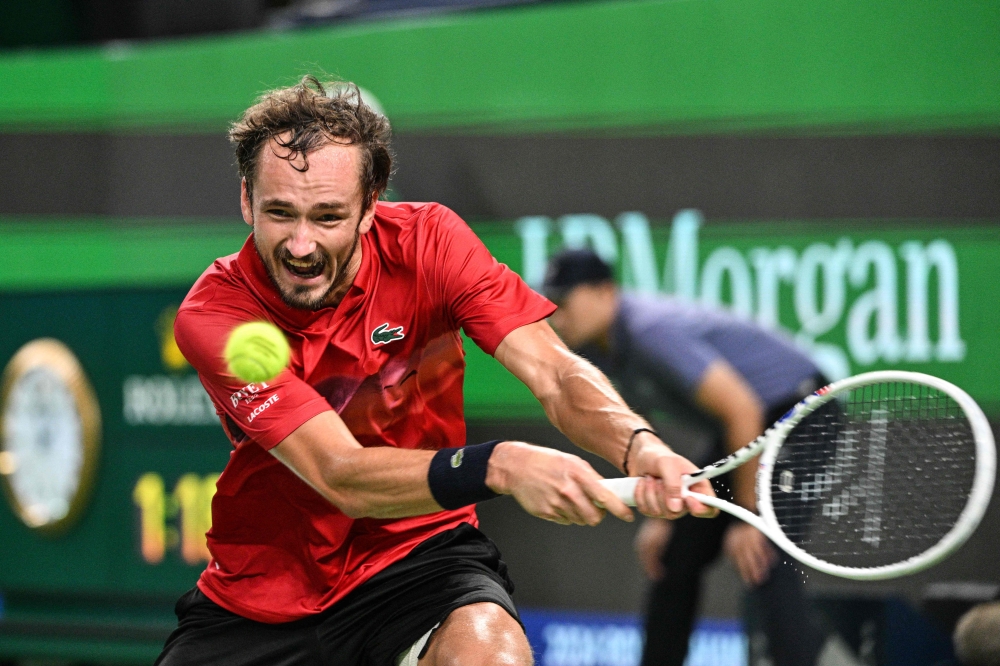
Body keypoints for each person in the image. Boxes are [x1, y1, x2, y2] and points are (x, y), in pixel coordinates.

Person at [154, 77, 716, 666]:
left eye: (327, 216)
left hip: (419, 559)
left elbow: (553, 371)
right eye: (279, 214)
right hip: (262, 597)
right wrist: (500, 464)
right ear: (246, 199)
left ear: (370, 205)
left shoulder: (432, 244)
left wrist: (638, 445)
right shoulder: (214, 315)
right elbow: (339, 474)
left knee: (489, 652)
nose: (301, 244)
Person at [543, 248, 837, 666]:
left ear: (605, 292)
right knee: (673, 557)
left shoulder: (650, 331)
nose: (556, 317)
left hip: (800, 413)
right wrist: (665, 515)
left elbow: (743, 410)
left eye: (564, 302)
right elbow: (646, 440)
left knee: (761, 555)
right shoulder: (598, 350)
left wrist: (746, 516)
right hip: (746, 429)